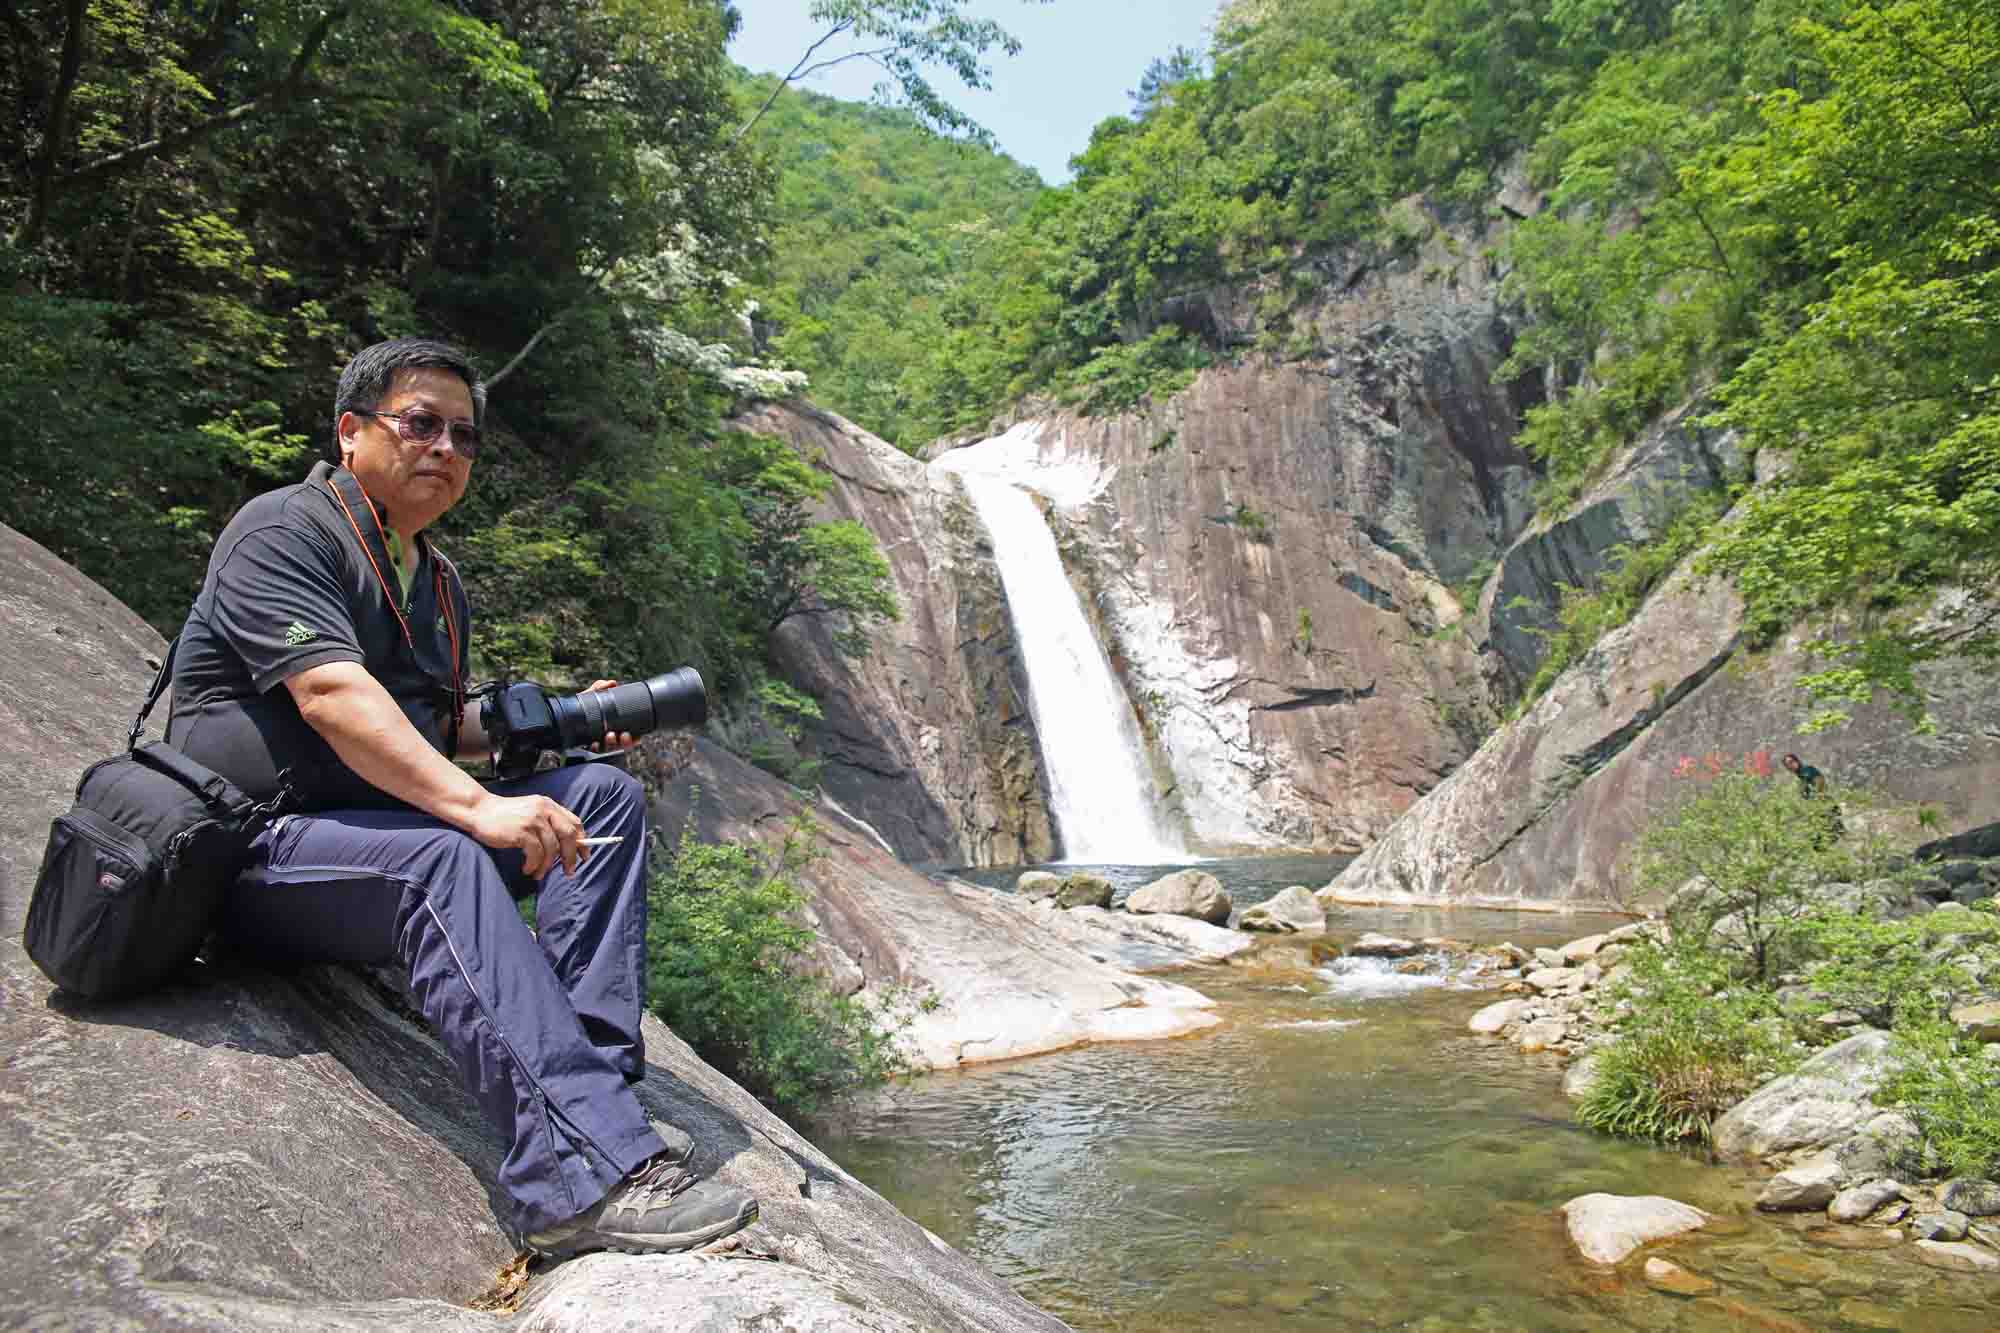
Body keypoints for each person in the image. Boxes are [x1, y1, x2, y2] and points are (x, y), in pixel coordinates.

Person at [164, 337, 757, 1258]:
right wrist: (479, 808)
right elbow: (331, 695)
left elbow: (434, 729)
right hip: (256, 847)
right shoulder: (285, 530)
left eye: (465, 436)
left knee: (598, 796)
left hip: (369, 835)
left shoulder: (433, 577)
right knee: (443, 855)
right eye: (420, 423)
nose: (445, 448)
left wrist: (563, 723)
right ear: (352, 431)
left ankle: (593, 1091)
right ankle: (574, 1181)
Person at [1782, 752, 1844, 846]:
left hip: (1825, 806)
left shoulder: (1806, 770)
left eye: (1791, 762)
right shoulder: (1798, 779)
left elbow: (1820, 780)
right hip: (1817, 810)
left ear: (1797, 761)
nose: (1790, 766)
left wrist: (1817, 795)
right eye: (1787, 765)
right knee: (1823, 837)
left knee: (1833, 833)